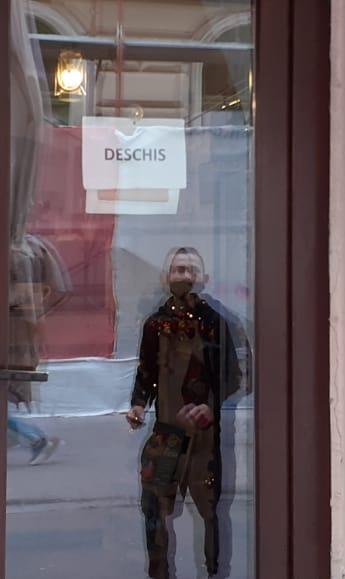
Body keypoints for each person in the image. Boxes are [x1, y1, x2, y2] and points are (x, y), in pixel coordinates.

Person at [127, 247, 247, 579]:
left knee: (210, 512)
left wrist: (212, 405)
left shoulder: (218, 322)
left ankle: (214, 573)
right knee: (156, 512)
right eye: (178, 269)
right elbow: (146, 373)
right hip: (166, 434)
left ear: (204, 278)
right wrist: (138, 404)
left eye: (191, 270)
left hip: (206, 439)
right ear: (166, 277)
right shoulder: (155, 325)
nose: (185, 275)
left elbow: (237, 376)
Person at [7, 234, 71, 464]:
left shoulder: (21, 253)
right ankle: (33, 438)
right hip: (15, 345)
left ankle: (36, 439)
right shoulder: (30, 250)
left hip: (11, 346)